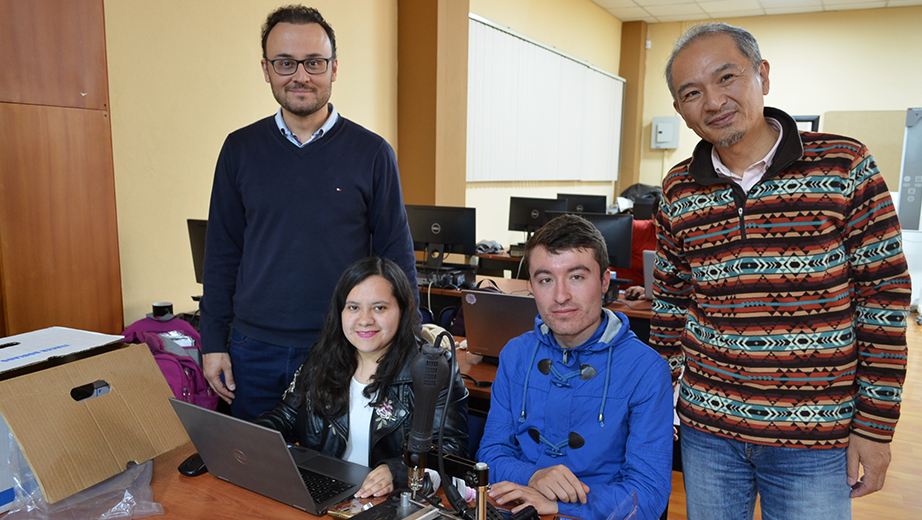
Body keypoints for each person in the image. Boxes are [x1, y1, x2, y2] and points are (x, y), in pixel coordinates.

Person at [652, 22, 910, 520]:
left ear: (762, 75)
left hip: (815, 438)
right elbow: (669, 303)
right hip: (708, 433)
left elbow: (884, 302)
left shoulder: (843, 164)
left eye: (727, 78)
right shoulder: (679, 188)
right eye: (691, 92)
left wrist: (875, 430)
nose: (713, 101)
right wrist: (662, 402)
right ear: (682, 110)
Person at [200, 5, 418, 421]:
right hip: (252, 351)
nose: (300, 75)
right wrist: (212, 343)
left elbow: (396, 254)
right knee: (254, 479)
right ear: (266, 69)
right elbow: (222, 253)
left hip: (345, 347)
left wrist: (407, 345)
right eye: (285, 63)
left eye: (314, 62)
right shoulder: (239, 149)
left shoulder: (372, 153)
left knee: (338, 478)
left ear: (334, 69)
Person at [478, 214, 674, 520]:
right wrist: (533, 477)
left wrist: (560, 505)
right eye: (545, 280)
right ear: (531, 285)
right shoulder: (515, 354)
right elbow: (490, 454)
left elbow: (648, 493)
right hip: (519, 510)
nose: (560, 296)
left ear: (605, 281)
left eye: (576, 277)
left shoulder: (647, 369)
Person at [254, 257, 468, 497]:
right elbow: (285, 416)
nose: (365, 320)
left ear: (404, 309)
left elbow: (451, 449)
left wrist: (397, 471)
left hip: (389, 501)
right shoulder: (322, 356)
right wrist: (249, 439)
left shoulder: (433, 367)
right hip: (325, 493)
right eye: (353, 307)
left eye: (379, 308)